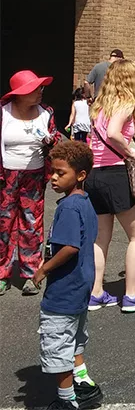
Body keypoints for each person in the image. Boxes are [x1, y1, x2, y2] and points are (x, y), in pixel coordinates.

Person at [33, 140, 103, 410]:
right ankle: (83, 383)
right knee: (74, 339)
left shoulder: (69, 208)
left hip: (64, 290)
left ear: (81, 175)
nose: (53, 177)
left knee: (57, 345)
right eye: (52, 171)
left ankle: (67, 402)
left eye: (60, 173)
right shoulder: (84, 202)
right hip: (80, 286)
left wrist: (43, 269)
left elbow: (70, 247)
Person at [84, 59, 135, 313]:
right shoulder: (126, 102)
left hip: (95, 175)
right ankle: (132, 295)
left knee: (100, 238)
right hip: (116, 174)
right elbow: (115, 132)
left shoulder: (99, 105)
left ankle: (95, 293)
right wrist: (132, 154)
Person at [0, 70, 61, 296]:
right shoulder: (3, 113)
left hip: (34, 175)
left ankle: (30, 271)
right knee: (4, 224)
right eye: (35, 89)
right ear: (20, 93)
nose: (40, 93)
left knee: (31, 222)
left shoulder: (46, 113)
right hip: (5, 176)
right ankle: (2, 273)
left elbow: (55, 138)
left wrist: (50, 140)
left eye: (41, 88)